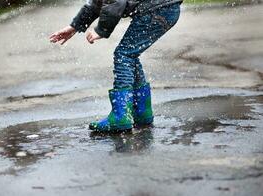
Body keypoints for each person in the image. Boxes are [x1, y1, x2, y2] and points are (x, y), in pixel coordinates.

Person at [50, 0, 182, 132]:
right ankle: (141, 112)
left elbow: (115, 2)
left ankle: (121, 116)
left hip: (157, 9)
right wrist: (75, 26)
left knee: (124, 55)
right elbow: (97, 3)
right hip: (165, 8)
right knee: (130, 54)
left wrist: (102, 30)